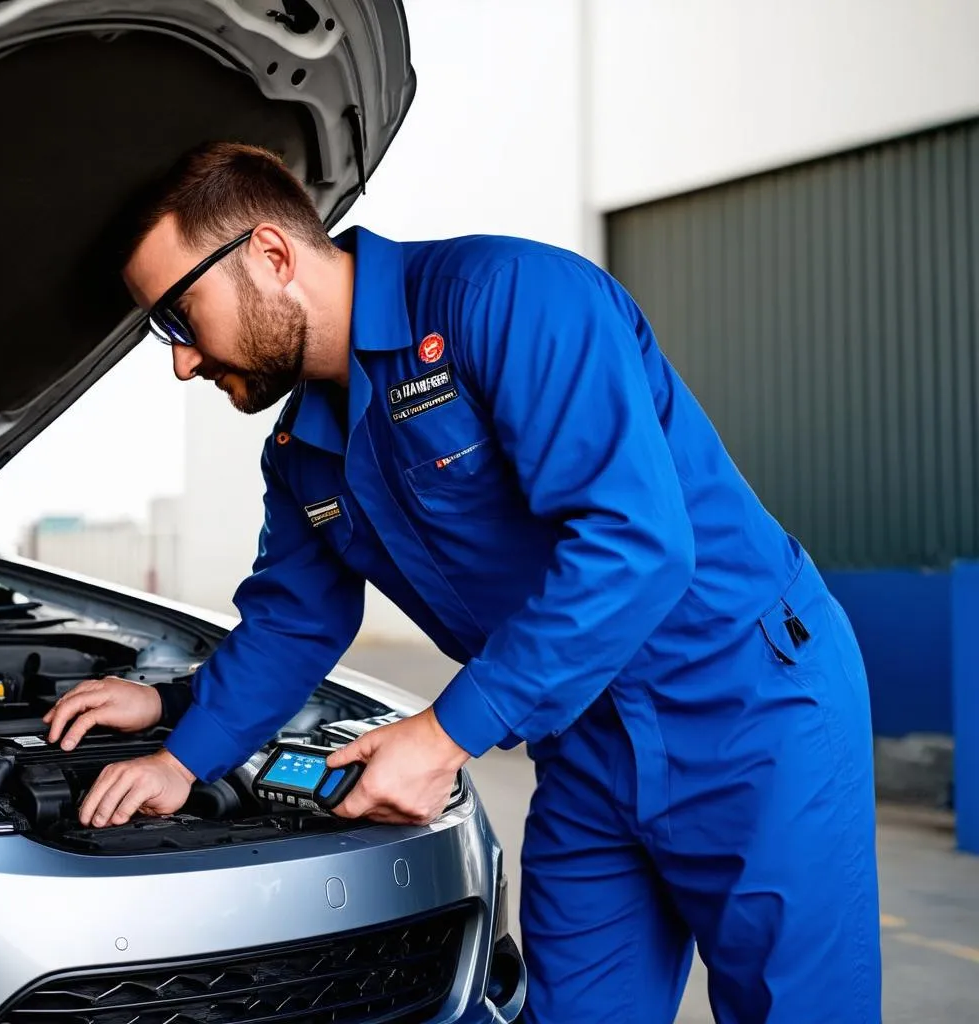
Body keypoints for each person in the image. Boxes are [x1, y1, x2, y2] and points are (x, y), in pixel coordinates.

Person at [43, 141, 881, 1023]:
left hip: (748, 705)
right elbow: (292, 622)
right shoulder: (301, 456)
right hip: (583, 740)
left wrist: (444, 734)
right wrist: (182, 744)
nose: (181, 362)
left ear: (273, 254)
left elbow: (638, 545)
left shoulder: (508, 301)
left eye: (181, 316)